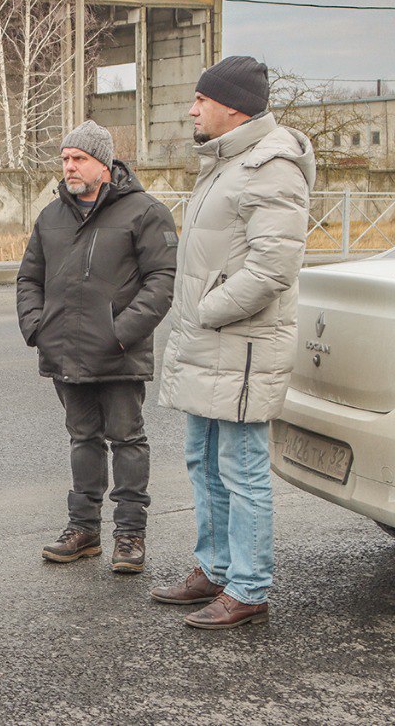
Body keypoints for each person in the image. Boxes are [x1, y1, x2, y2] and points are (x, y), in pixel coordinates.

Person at [152, 55, 315, 629]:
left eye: (201, 98)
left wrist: (205, 311)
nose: (191, 107)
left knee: (242, 471)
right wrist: (200, 316)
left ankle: (248, 586)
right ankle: (214, 568)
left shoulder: (272, 167)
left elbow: (273, 268)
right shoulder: (226, 162)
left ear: (233, 107)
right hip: (210, 343)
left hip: (240, 347)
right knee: (202, 461)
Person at [17, 120, 176, 573]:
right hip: (64, 350)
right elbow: (29, 277)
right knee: (82, 439)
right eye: (65, 158)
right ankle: (83, 529)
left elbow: (161, 281)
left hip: (119, 352)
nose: (69, 166)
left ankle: (129, 535)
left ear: (103, 164)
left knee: (127, 440)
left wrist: (121, 332)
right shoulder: (51, 216)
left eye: (79, 158)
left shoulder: (144, 211)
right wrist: (36, 327)